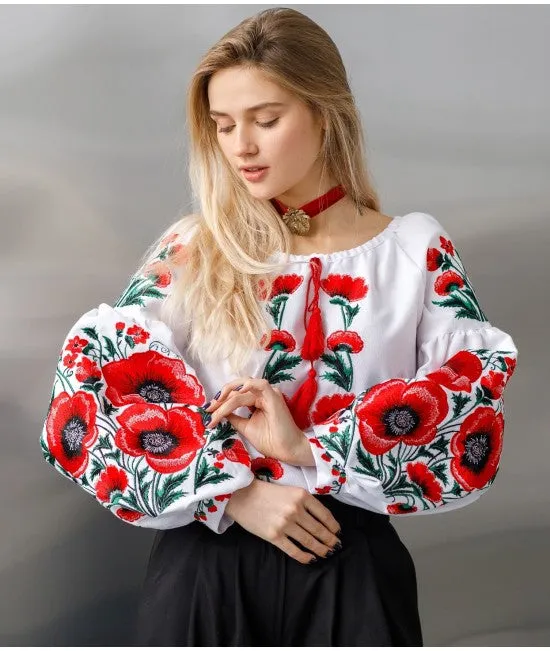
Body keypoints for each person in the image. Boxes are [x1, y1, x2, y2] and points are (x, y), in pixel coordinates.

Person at [40, 7, 519, 647]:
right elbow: (87, 397)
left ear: (326, 113)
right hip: (206, 569)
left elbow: (470, 414)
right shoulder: (192, 250)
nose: (242, 146)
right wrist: (230, 495)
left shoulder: (412, 251)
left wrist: (306, 452)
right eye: (224, 126)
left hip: (351, 567)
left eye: (266, 120)